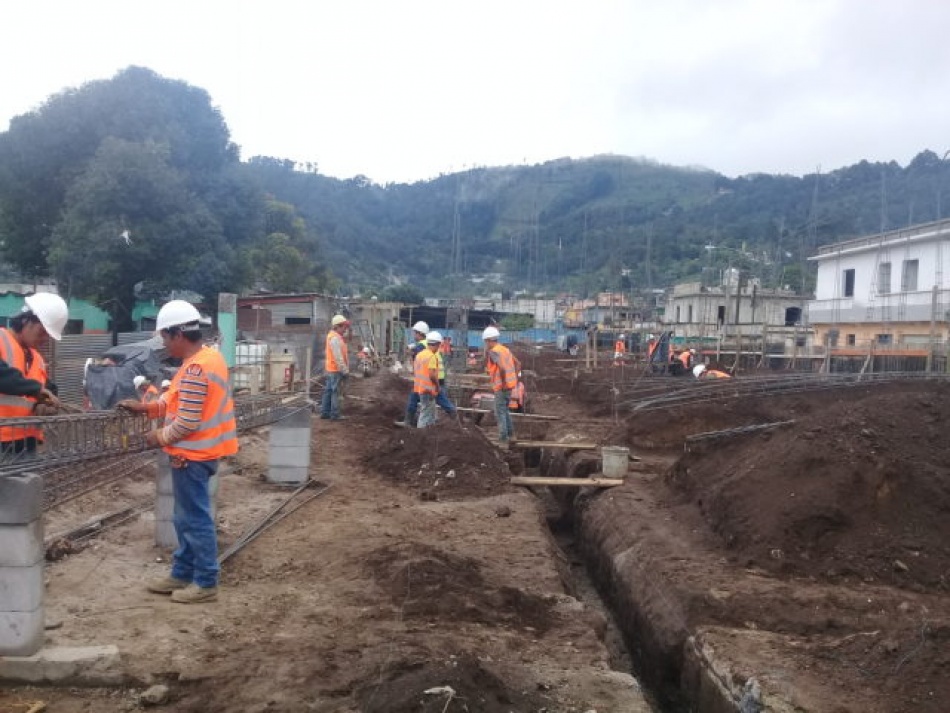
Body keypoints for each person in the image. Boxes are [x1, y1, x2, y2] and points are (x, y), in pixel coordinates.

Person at [118, 299, 238, 604]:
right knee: (184, 517)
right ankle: (182, 573)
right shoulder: (204, 360)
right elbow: (174, 401)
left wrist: (157, 437)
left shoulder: (197, 368)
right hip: (197, 454)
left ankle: (206, 581)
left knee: (195, 519)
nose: (163, 344)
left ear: (178, 335)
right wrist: (146, 407)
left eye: (164, 338)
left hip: (194, 456)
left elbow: (186, 421)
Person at [0, 293, 68, 455]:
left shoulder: (36, 357)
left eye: (48, 334)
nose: (45, 339)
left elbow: (47, 387)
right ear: (26, 320)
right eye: (42, 331)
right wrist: (35, 390)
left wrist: (46, 403)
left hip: (26, 441)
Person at [482, 326, 519, 448]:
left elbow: (502, 368)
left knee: (500, 413)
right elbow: (518, 364)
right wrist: (514, 379)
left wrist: (503, 382)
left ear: (489, 340)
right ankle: (511, 435)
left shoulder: (494, 352)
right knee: (505, 411)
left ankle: (503, 439)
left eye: (485, 341)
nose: (485, 344)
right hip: (510, 386)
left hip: (502, 387)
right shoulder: (505, 349)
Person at [394, 320, 429, 427]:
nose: (414, 335)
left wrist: (410, 351)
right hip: (426, 378)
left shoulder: (421, 346)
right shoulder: (427, 344)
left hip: (423, 379)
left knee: (415, 399)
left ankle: (410, 422)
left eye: (415, 333)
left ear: (420, 333)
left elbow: (415, 352)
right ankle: (415, 422)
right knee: (423, 402)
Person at [321, 314, 350, 420]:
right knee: (335, 392)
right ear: (337, 326)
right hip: (336, 369)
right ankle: (335, 414)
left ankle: (325, 412)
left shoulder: (334, 337)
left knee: (328, 390)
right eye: (343, 327)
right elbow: (338, 357)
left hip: (331, 369)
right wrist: (344, 370)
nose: (345, 329)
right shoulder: (335, 338)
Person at [414, 331, 443, 428]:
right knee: (425, 413)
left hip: (420, 387)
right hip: (428, 389)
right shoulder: (432, 356)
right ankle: (420, 434)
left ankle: (429, 432)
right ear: (438, 344)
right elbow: (432, 374)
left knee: (429, 412)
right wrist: (438, 386)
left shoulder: (420, 355)